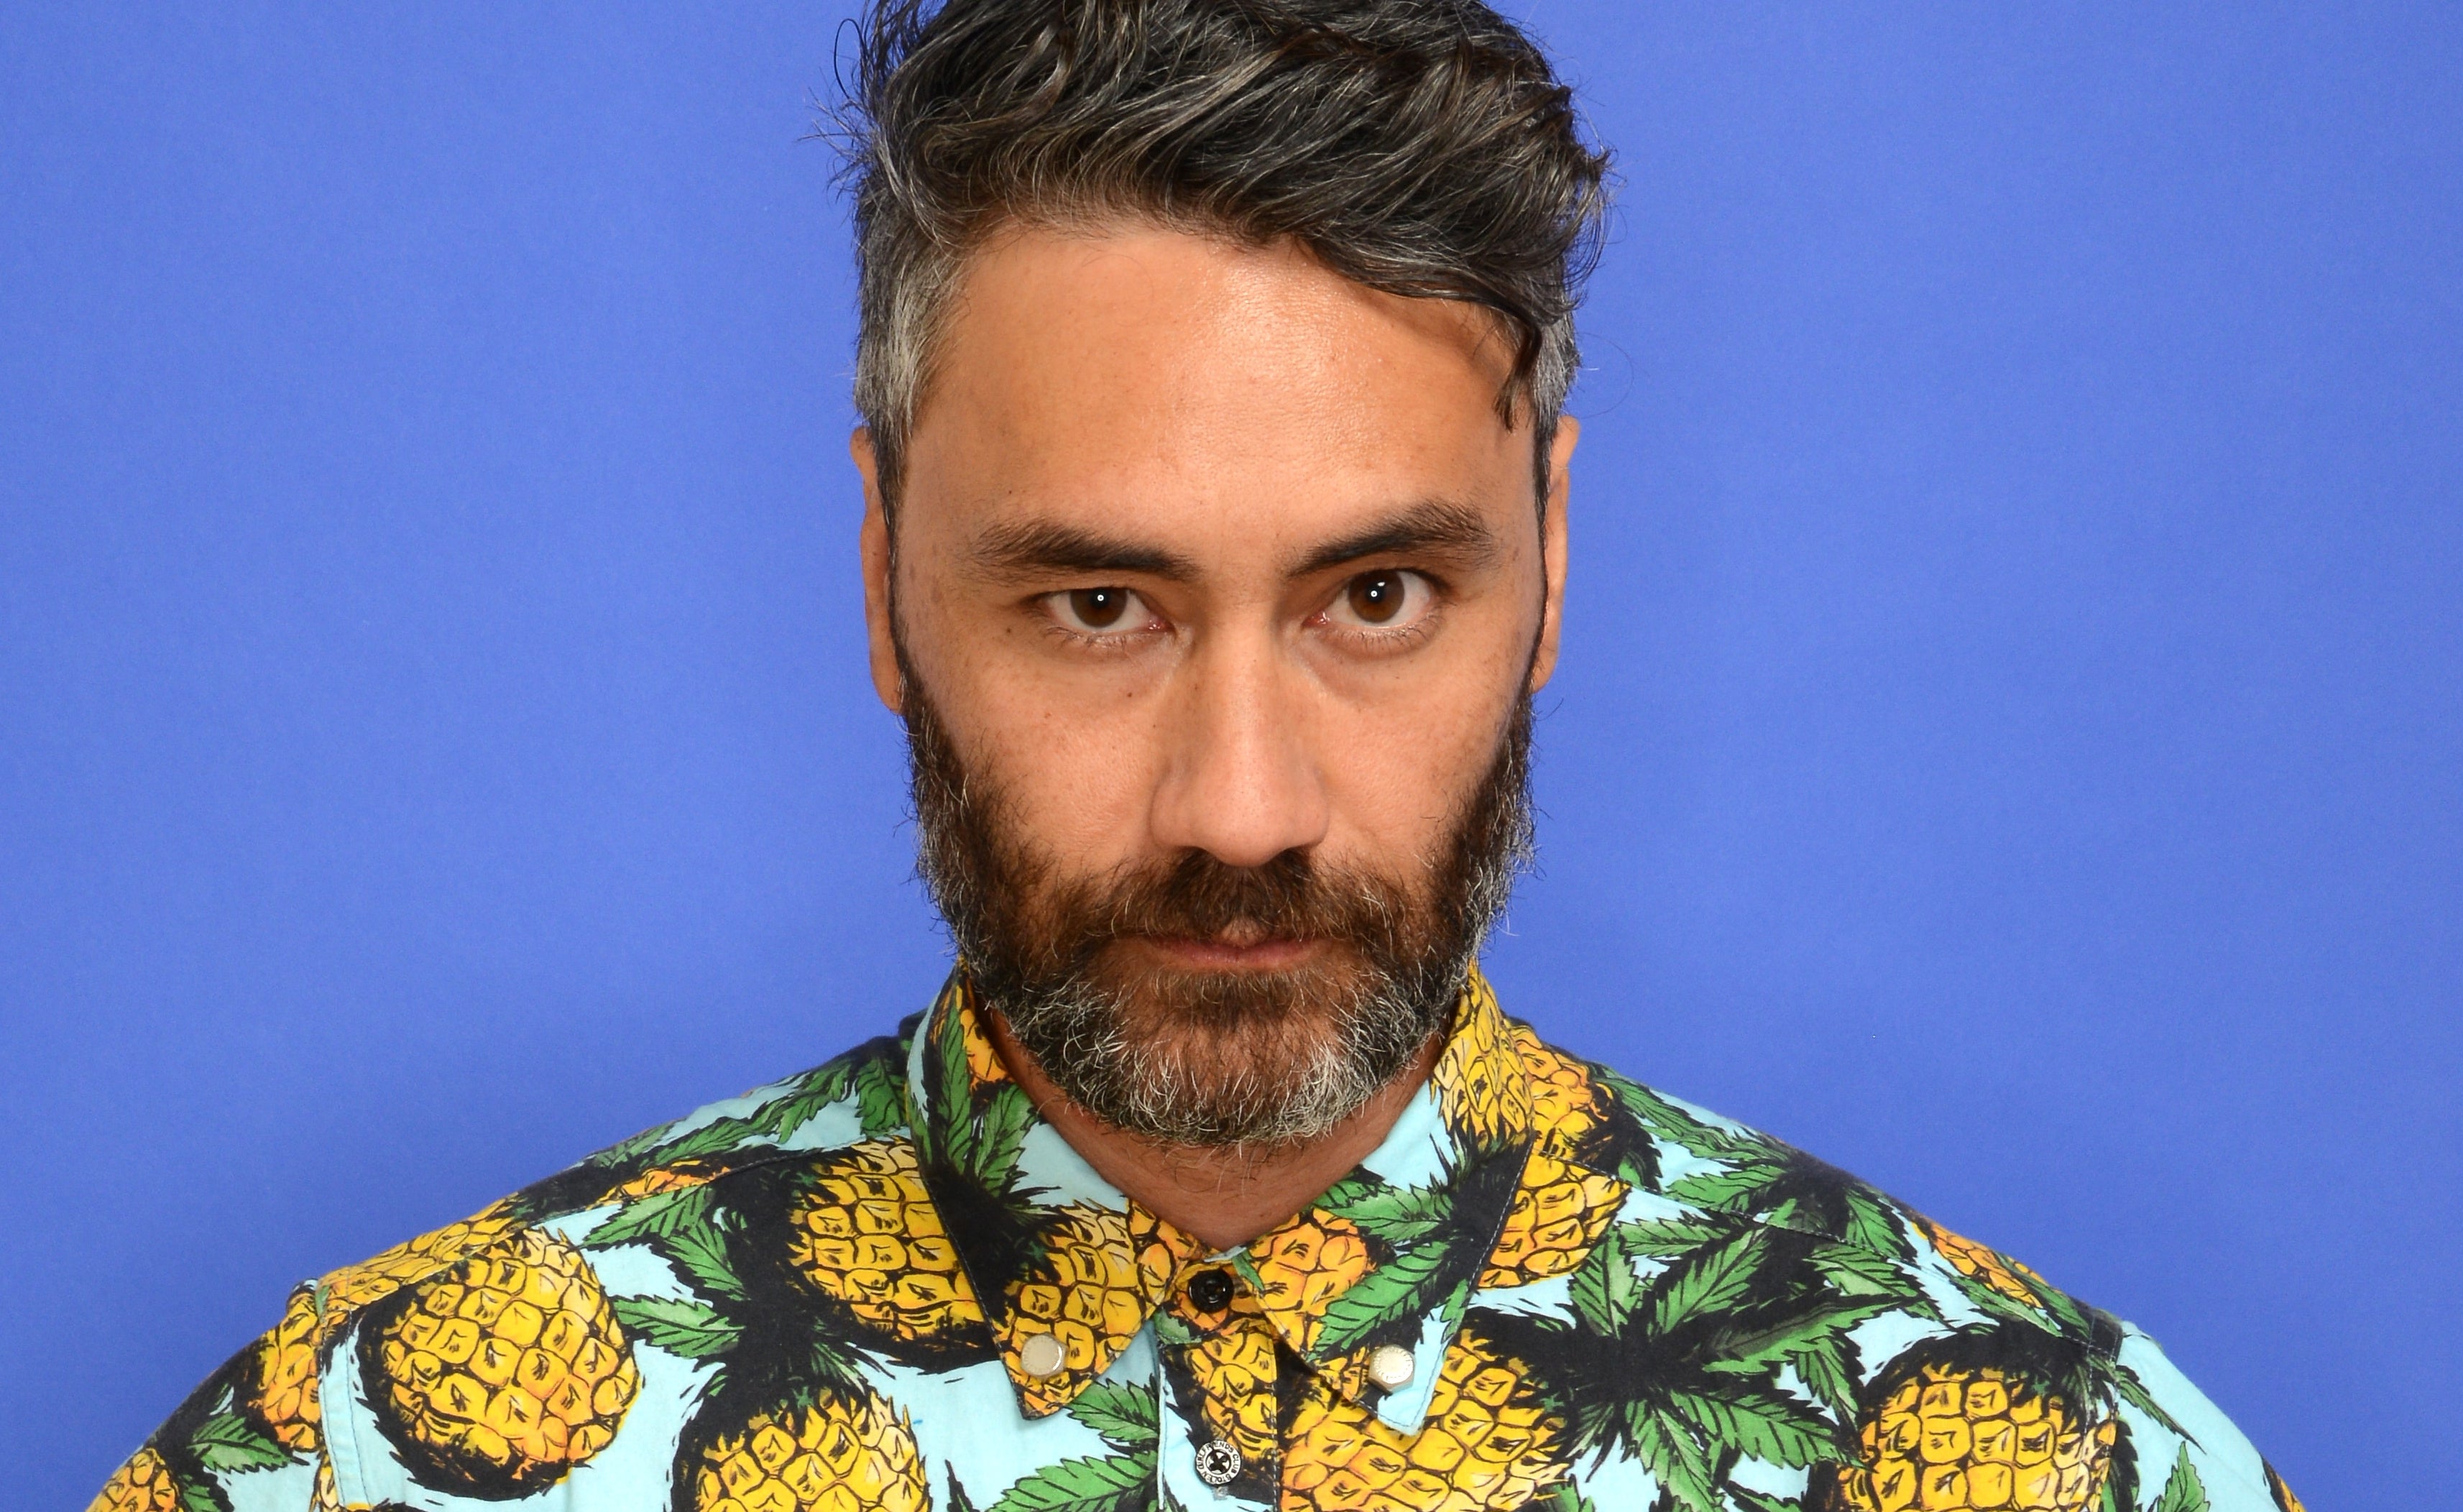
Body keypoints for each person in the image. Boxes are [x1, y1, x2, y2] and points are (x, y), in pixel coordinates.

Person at [93, 3, 2303, 1510]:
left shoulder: (2031, 1456)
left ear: (1550, 556)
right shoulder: (375, 1452)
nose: (1239, 805)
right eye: (1096, 607)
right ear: (881, 578)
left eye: (1373, 599)